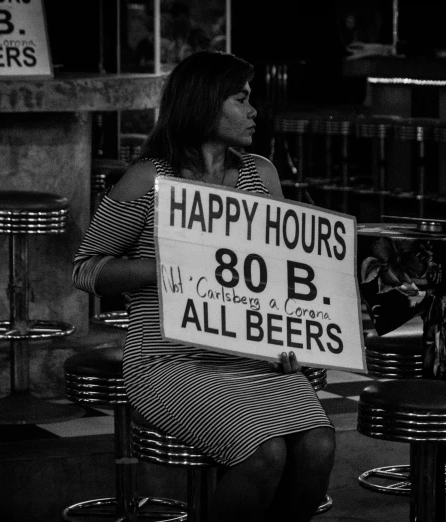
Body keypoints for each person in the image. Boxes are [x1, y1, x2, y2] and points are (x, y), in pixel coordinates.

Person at [73, 50, 335, 522]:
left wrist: (295, 336)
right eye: (241, 98)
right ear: (204, 103)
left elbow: (287, 272)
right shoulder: (150, 178)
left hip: (254, 355)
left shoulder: (261, 174)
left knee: (319, 446)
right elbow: (86, 268)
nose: (253, 111)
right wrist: (171, 265)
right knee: (265, 453)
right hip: (169, 360)